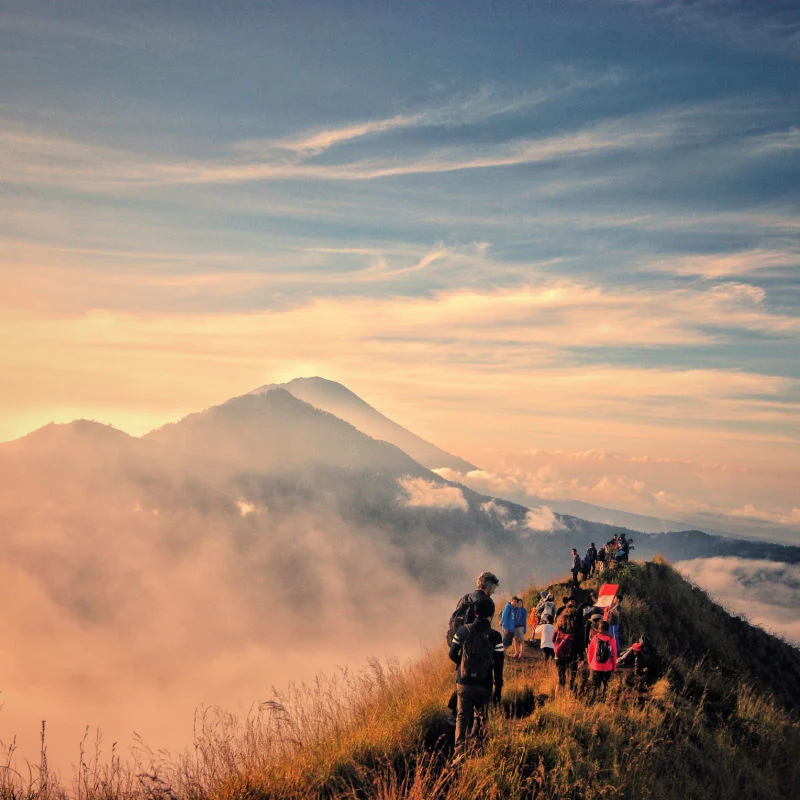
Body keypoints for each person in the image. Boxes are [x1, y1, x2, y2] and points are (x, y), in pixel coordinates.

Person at [448, 594, 504, 757]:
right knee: (482, 718)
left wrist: (461, 664)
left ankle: (459, 754)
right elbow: (499, 664)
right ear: (491, 614)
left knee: (462, 716)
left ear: (475, 612)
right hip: (484, 684)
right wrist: (498, 688)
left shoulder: (463, 630)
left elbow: (452, 653)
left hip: (464, 682)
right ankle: (478, 750)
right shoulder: (495, 636)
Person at [446, 571, 500, 721]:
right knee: (474, 677)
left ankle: (456, 714)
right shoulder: (486, 602)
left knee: (463, 675)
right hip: (475, 646)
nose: (494, 591)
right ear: (488, 586)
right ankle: (463, 714)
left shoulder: (465, 598)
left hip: (458, 642)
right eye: (494, 588)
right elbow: (484, 628)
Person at [553, 600, 581, 689]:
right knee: (571, 680)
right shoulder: (576, 626)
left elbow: (553, 639)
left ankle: (558, 700)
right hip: (572, 655)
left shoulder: (559, 625)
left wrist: (560, 645)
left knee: (561, 679)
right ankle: (570, 697)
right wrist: (581, 655)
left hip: (559, 654)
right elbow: (579, 643)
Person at [587, 619, 617, 699]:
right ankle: (603, 700)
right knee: (605, 684)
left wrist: (590, 664)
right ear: (608, 628)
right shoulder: (612, 639)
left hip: (595, 666)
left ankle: (592, 701)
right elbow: (614, 654)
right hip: (607, 667)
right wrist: (613, 667)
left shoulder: (595, 638)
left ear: (599, 628)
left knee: (594, 685)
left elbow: (590, 653)